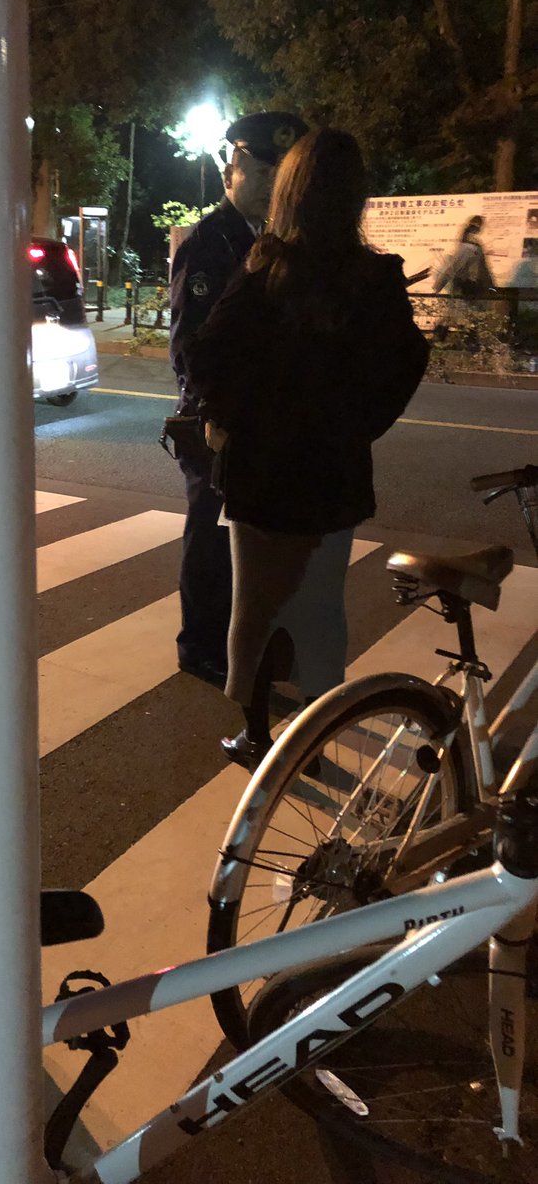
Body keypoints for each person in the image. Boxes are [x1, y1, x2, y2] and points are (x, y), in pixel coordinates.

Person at [183, 128, 429, 767]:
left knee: (256, 603)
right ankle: (314, 737)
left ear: (289, 192)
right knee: (321, 608)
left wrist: (232, 417)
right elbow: (407, 362)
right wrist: (357, 425)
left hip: (261, 472)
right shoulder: (375, 277)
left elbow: (205, 355)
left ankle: (259, 736)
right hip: (332, 473)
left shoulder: (266, 266)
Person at [168, 111, 308, 690]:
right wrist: (216, 415)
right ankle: (200, 646)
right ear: (235, 168)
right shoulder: (208, 242)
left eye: (282, 175)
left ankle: (239, 641)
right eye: (264, 171)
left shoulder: (272, 242)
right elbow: (189, 345)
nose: (273, 185)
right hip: (216, 423)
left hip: (259, 420)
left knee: (245, 539)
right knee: (209, 536)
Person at [432, 215, 494, 297]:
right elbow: (485, 271)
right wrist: (492, 289)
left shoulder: (468, 247)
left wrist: (437, 288)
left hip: (467, 289)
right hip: (478, 288)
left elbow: (453, 268)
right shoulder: (476, 246)